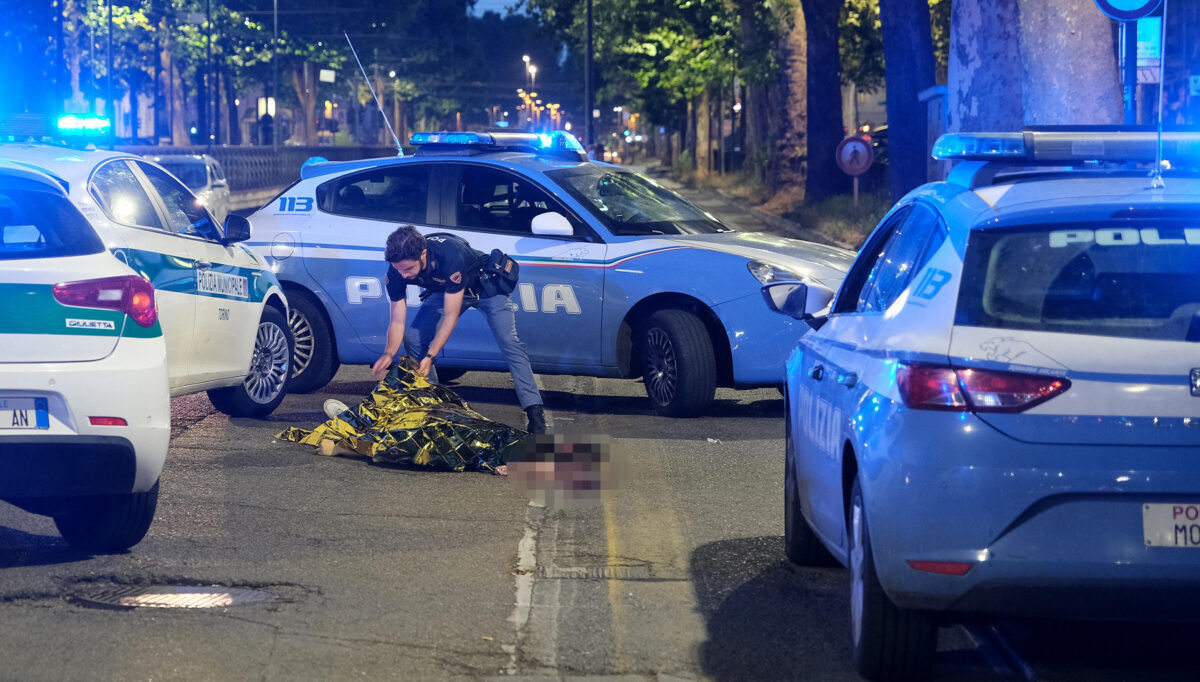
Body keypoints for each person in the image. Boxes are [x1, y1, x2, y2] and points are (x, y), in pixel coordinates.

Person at [370, 225, 550, 434]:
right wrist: (388, 352)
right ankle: (433, 404)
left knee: (509, 342)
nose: (404, 275)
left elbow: (450, 317)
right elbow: (397, 321)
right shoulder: (397, 269)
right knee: (414, 338)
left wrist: (430, 356)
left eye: (408, 269)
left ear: (423, 254)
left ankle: (534, 411)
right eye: (399, 269)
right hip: (446, 290)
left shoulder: (449, 256)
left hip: (486, 288)